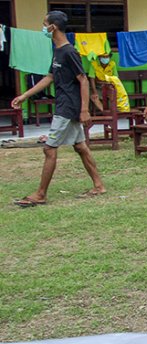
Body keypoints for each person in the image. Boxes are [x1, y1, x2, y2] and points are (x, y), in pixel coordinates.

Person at [11, 11, 105, 207]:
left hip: (67, 107)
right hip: (65, 104)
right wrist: (24, 95)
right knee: (80, 147)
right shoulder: (58, 51)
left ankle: (41, 194)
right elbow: (50, 77)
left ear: (53, 27)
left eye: (44, 23)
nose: (43, 27)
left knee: (49, 149)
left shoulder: (69, 52)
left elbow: (83, 79)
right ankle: (98, 185)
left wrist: (84, 110)